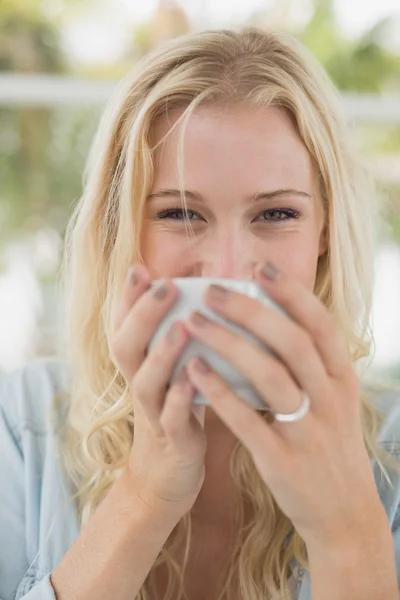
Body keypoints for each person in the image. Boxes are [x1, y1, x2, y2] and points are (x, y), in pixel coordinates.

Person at [0, 26, 399, 600]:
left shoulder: (393, 453)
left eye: (277, 214)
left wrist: (344, 531)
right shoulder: (21, 428)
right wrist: (145, 493)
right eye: (181, 212)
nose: (231, 269)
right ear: (121, 234)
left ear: (325, 235)